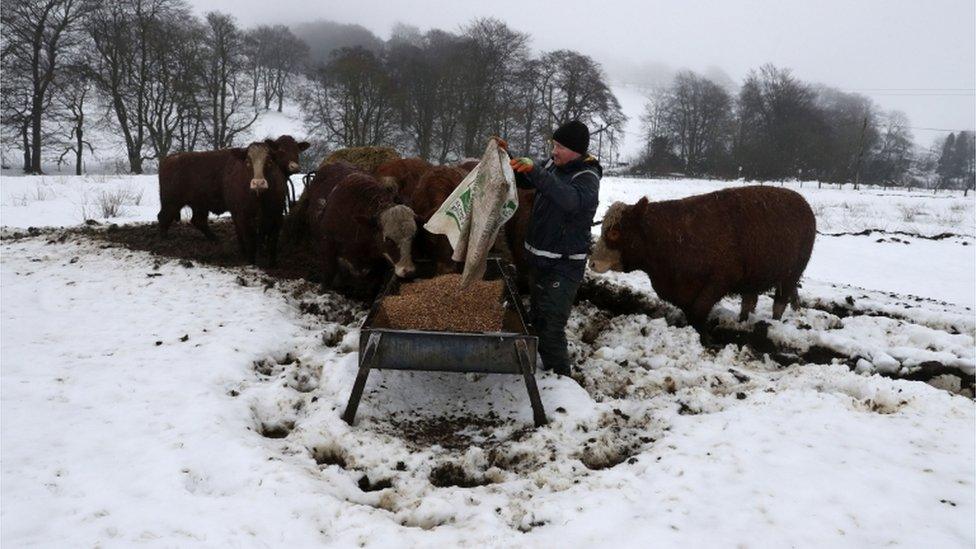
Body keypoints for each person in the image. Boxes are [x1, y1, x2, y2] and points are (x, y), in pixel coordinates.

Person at [506, 120, 602, 377]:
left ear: (575, 150)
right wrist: (509, 160)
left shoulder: (587, 177)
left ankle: (561, 381)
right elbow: (528, 181)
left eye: (559, 146)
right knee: (537, 319)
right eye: (553, 144)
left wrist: (537, 172)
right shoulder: (553, 166)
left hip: (564, 265)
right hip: (540, 260)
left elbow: (568, 200)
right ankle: (543, 371)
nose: (554, 151)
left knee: (551, 329)